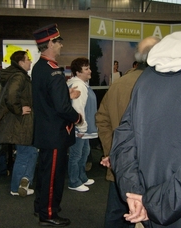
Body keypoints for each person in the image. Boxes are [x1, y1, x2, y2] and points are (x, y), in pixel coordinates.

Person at [110, 1, 181, 227]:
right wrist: (154, 204)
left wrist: (136, 194)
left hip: (148, 208)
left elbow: (123, 138)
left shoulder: (147, 77)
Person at [95, 36, 160, 228]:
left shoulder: (119, 84)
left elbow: (102, 119)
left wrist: (113, 153)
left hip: (121, 168)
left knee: (116, 215)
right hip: (151, 173)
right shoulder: (162, 85)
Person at [31, 24, 83, 227]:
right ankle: (49, 213)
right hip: (55, 134)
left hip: (45, 130)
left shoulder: (39, 67)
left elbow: (47, 99)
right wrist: (77, 117)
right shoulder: (53, 71)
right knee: (53, 176)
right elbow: (62, 108)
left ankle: (40, 207)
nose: (61, 46)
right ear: (51, 42)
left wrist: (63, 95)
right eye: (59, 42)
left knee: (45, 174)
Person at [0, 50, 38, 197]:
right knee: (25, 153)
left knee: (30, 151)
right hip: (20, 123)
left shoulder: (18, 76)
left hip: (21, 122)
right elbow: (11, 96)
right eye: (28, 60)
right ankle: (16, 187)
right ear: (21, 63)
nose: (30, 62)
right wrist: (19, 109)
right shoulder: (19, 76)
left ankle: (24, 182)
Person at [66, 57, 98, 192]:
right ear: (78, 73)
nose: (90, 71)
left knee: (85, 152)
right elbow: (78, 108)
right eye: (86, 69)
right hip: (79, 128)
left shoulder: (82, 84)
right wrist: (81, 127)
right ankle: (74, 182)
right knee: (76, 155)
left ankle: (82, 177)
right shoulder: (78, 86)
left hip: (82, 128)